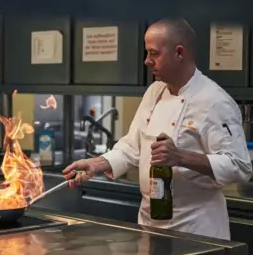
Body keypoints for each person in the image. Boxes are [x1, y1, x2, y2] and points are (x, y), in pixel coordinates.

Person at [63, 18, 252, 240]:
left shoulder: (214, 101)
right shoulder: (155, 91)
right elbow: (132, 147)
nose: (146, 61)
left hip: (195, 228)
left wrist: (180, 157)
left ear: (179, 53)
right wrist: (95, 164)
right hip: (150, 222)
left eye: (154, 54)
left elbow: (239, 166)